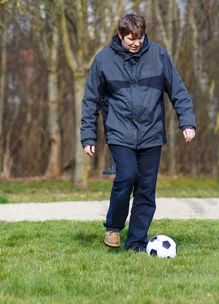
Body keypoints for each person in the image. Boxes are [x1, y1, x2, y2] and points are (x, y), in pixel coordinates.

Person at [80, 13, 196, 252]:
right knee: (126, 177)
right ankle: (113, 226)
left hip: (151, 133)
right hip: (119, 132)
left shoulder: (159, 55)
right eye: (131, 38)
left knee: (145, 188)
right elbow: (91, 100)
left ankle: (136, 243)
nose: (136, 42)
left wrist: (187, 122)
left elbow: (178, 91)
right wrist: (88, 136)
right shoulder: (103, 60)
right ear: (120, 35)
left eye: (140, 37)